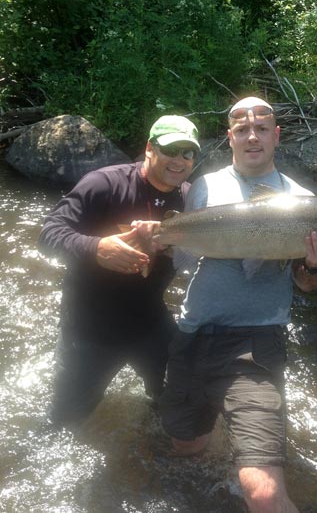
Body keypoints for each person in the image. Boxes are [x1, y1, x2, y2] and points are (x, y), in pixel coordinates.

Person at [156, 97, 317, 513]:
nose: (251, 136)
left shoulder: (303, 201)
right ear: (231, 137)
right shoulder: (203, 185)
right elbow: (182, 250)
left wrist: (314, 267)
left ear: (276, 135)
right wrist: (153, 242)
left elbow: (307, 285)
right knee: (186, 443)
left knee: (263, 493)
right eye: (242, 129)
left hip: (254, 346)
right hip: (192, 332)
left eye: (261, 128)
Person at [38, 114, 200, 427]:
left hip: (151, 322)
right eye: (171, 149)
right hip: (90, 327)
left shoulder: (192, 200)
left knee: (176, 407)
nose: (179, 160)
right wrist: (97, 249)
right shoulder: (103, 184)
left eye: (188, 152)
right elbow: (49, 234)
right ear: (150, 148)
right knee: (63, 423)